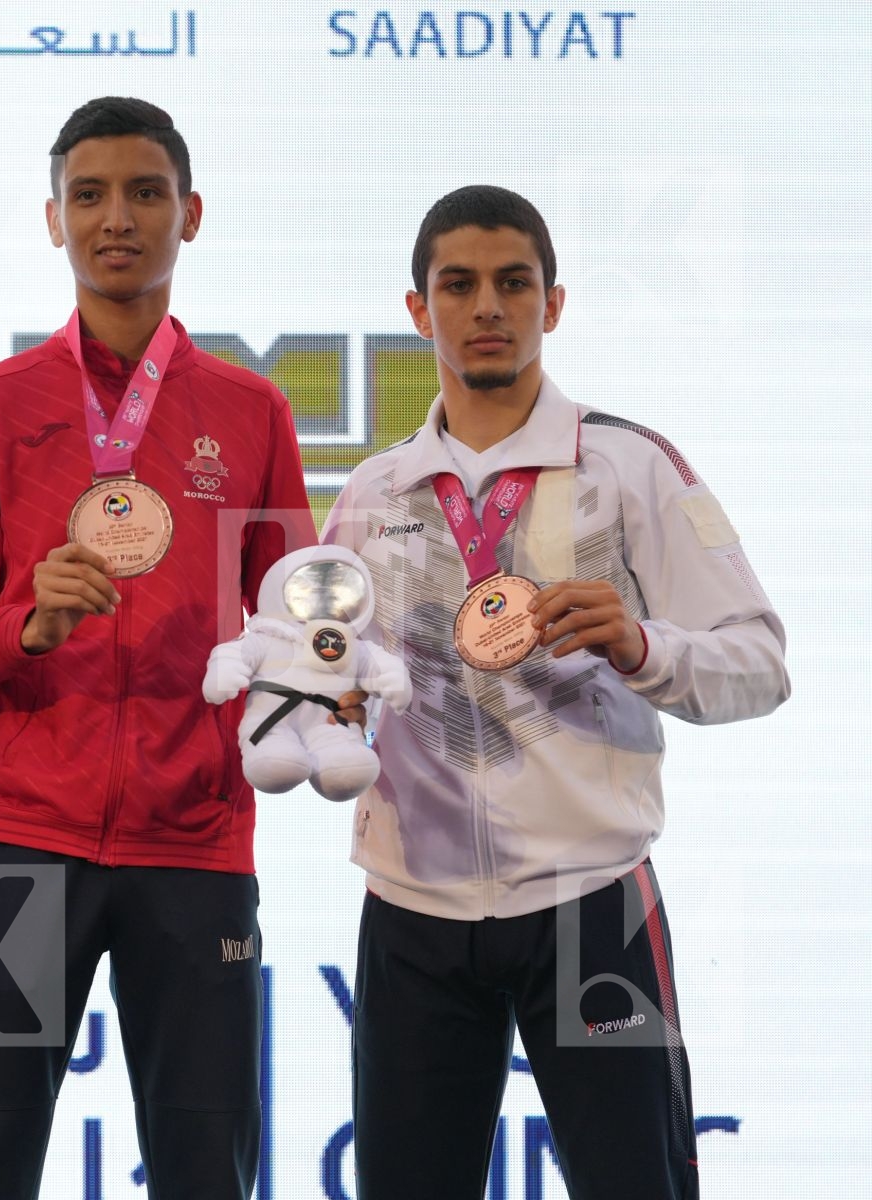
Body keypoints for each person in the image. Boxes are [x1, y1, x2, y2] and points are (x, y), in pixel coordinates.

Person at [322, 185, 790, 1198]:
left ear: (555, 302)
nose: (487, 306)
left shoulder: (630, 466)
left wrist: (641, 644)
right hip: (412, 907)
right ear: (419, 310)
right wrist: (329, 707)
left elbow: (760, 662)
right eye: (459, 285)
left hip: (590, 903)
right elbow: (325, 678)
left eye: (514, 283)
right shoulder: (373, 492)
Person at [0, 97, 315, 1198]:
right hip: (22, 842)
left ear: (191, 213)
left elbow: (296, 629)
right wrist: (22, 628)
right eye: (88, 195)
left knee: (206, 1171)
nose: (115, 218)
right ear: (53, 219)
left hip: (197, 845)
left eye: (144, 193)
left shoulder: (253, 412)